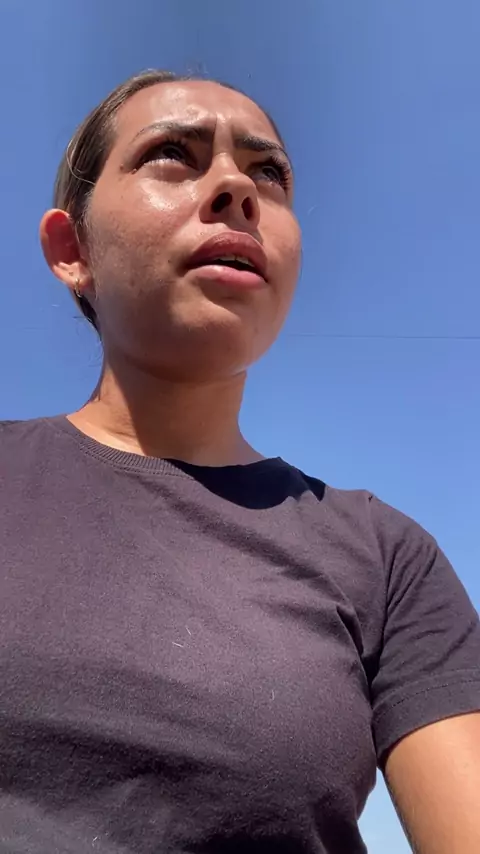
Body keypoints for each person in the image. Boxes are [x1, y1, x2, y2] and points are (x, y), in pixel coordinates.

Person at [0, 69, 479, 854]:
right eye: (172, 155)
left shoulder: (390, 562)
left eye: (269, 172)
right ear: (71, 249)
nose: (237, 189)